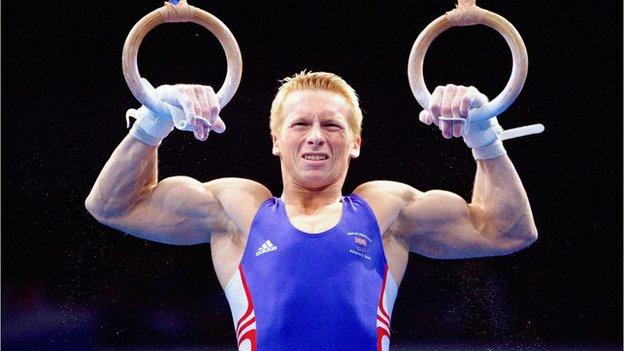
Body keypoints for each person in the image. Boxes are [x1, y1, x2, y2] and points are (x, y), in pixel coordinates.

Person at [85, 71, 537, 351]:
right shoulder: (237, 210)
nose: (316, 136)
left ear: (355, 142)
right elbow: (112, 206)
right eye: (300, 124)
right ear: (277, 141)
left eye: (332, 125)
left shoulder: (386, 211)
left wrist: (484, 136)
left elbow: (507, 232)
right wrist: (155, 120)